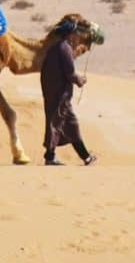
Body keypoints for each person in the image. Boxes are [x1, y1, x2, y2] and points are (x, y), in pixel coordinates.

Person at [39, 15, 99, 166]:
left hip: (56, 94)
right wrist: (81, 80)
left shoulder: (58, 48)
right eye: (77, 33)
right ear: (71, 34)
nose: (78, 36)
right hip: (60, 96)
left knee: (70, 126)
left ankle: (85, 157)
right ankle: (50, 157)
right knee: (57, 123)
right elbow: (70, 74)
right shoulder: (64, 48)